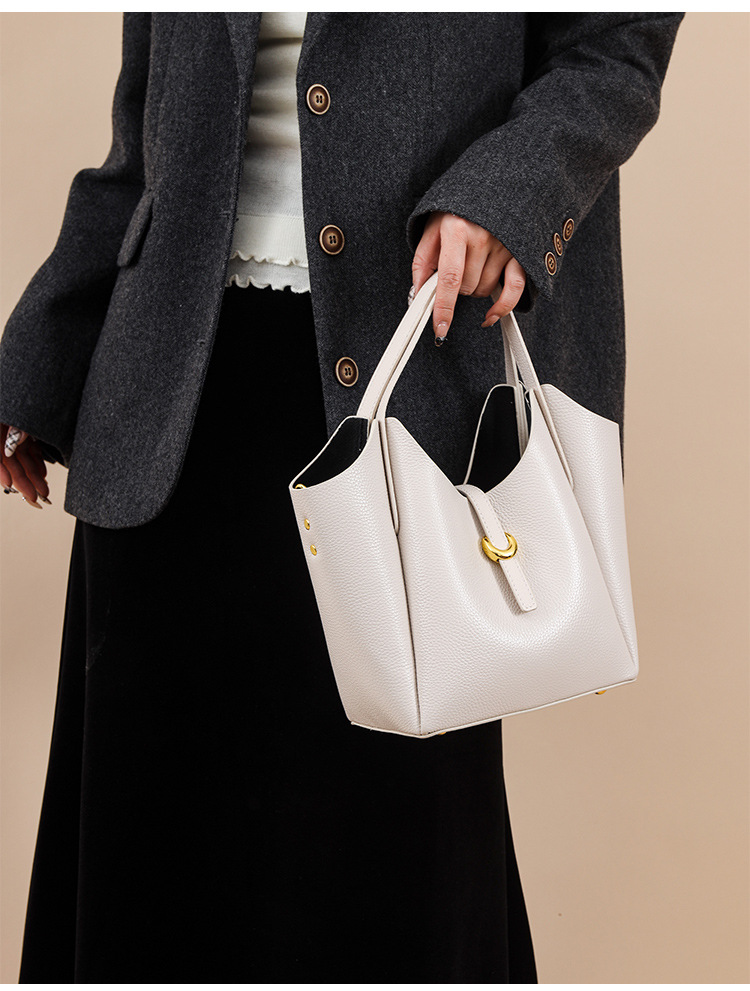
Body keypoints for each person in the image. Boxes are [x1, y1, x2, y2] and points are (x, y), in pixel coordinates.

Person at [0, 12, 684, 983]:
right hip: (166, 416)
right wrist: (33, 371)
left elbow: (614, 51)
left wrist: (503, 196)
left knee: (390, 866)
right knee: (154, 859)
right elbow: (140, 139)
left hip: (411, 400)